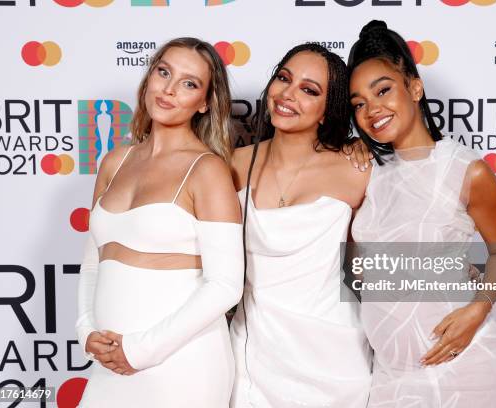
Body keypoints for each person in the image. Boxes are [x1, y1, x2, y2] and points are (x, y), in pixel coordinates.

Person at [348, 21, 496, 407]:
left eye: (383, 90)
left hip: (466, 367)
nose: (372, 109)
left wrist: (478, 308)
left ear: (414, 87)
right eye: (359, 103)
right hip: (390, 377)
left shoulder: (466, 169)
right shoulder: (365, 172)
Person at [75, 37, 243, 407]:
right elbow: (93, 262)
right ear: (148, 77)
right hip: (109, 362)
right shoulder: (114, 161)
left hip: (180, 365)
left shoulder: (207, 170)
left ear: (204, 103)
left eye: (189, 83)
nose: (168, 89)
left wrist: (140, 350)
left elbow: (226, 285)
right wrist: (86, 330)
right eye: (163, 72)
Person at [229, 43, 372, 408]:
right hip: (251, 356)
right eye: (284, 78)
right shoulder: (230, 165)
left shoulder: (358, 169)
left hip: (334, 359)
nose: (288, 95)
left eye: (310, 90)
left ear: (328, 110)